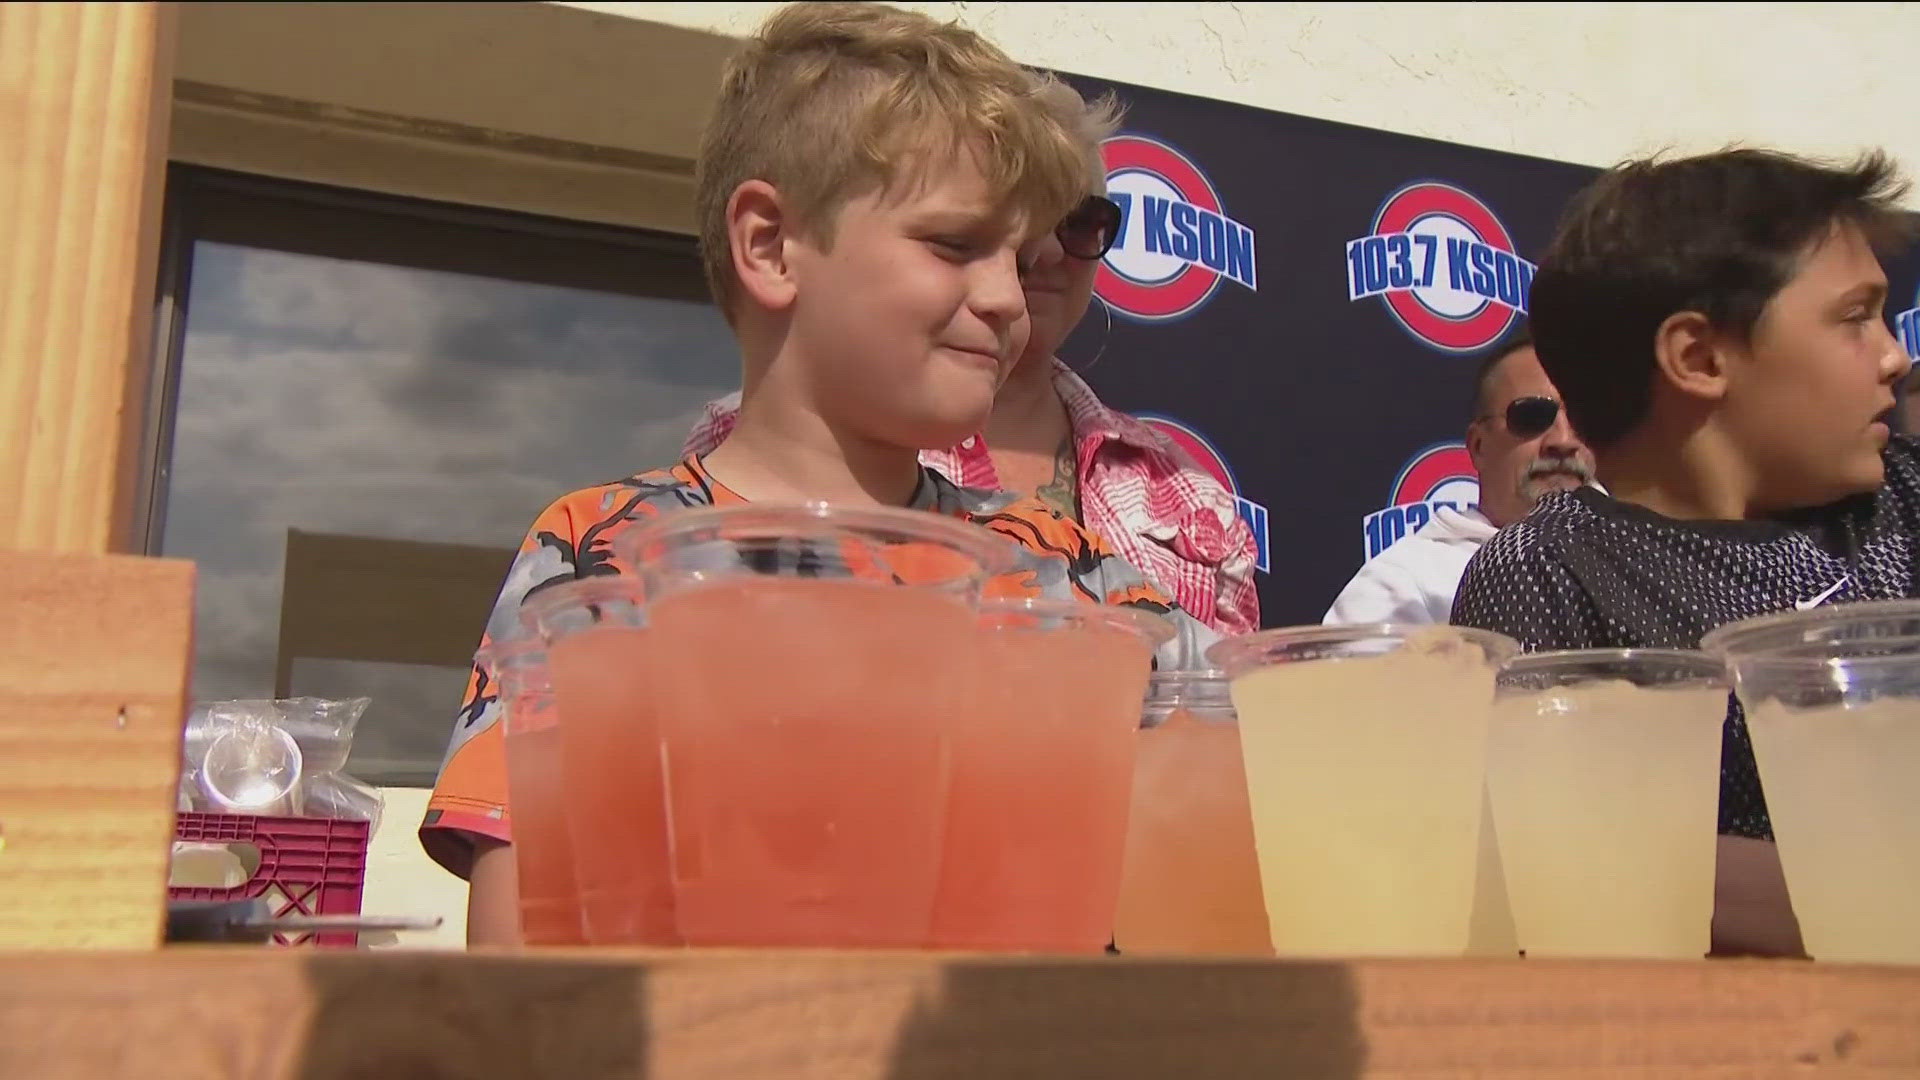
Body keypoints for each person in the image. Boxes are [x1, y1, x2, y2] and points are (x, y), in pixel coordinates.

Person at [421, 1, 1217, 947]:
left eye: (1019, 253)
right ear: (769, 245)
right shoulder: (604, 553)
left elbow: (1220, 858)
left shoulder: (1074, 583)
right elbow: (522, 955)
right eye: (956, 244)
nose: (1008, 297)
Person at [1451, 148, 1917, 957]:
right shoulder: (1552, 571)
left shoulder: (1904, 499)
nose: (1895, 355)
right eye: (1855, 317)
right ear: (1700, 359)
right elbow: (1584, 853)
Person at [684, 82, 1262, 635]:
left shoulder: (1177, 497)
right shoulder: (663, 515)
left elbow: (1230, 709)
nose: (1046, 251)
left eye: (1081, 222)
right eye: (963, 239)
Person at [1323, 332, 1593, 624]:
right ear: (1478, 446)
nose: (1564, 441)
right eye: (1533, 416)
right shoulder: (1406, 585)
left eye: (1584, 418)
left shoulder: (1639, 560)